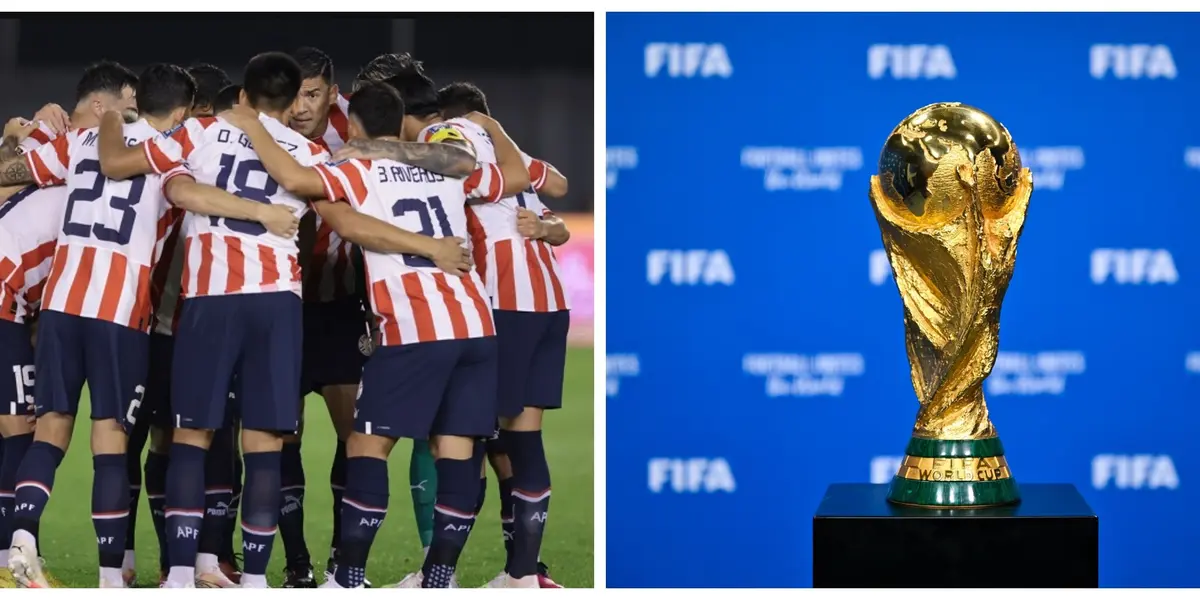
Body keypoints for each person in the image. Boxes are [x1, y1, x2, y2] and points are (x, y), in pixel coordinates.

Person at [0, 62, 298, 589]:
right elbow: (188, 193)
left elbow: (12, 172)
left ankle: (20, 540)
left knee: (50, 431)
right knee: (111, 443)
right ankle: (112, 579)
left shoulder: (83, 139)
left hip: (62, 304)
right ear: (182, 111)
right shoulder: (177, 147)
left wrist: (20, 136)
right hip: (120, 312)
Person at [223, 80, 496, 589]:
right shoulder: (440, 163)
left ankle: (346, 578)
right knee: (455, 450)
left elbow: (295, 179)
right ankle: (439, 579)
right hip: (475, 323)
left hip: (415, 325)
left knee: (366, 449)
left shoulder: (352, 166)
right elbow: (469, 165)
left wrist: (253, 127)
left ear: (352, 124)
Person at [436, 81, 570, 589]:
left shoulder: (469, 160)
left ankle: (440, 574)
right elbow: (554, 183)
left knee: (464, 435)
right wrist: (553, 228)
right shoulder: (516, 167)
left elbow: (550, 192)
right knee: (522, 440)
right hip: (549, 305)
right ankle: (523, 575)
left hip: (504, 305)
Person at [126, 62, 245, 588]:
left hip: (198, 319)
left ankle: (206, 559)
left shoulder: (206, 155)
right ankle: (166, 558)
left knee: (201, 437)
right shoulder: (161, 159)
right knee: (168, 438)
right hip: (163, 321)